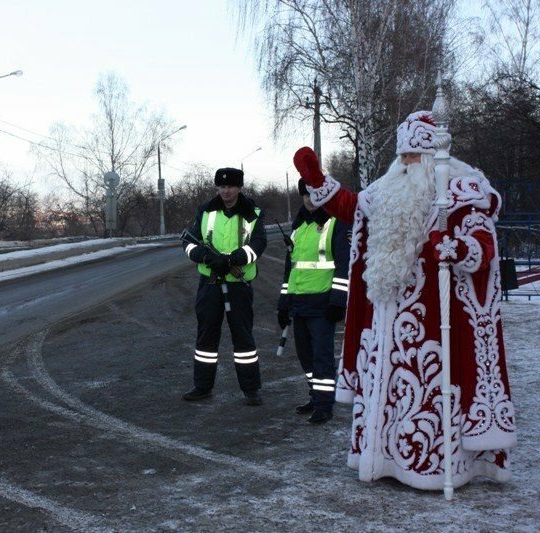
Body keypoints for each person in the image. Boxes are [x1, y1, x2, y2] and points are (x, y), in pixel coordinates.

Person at [293, 111, 517, 490]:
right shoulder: (386, 191)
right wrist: (317, 180)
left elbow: (484, 248)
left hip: (436, 323)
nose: (407, 163)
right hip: (386, 323)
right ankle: (386, 461)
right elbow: (352, 207)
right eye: (403, 157)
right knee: (389, 391)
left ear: (431, 159)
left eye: (414, 156)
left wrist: (455, 249)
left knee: (430, 392)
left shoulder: (461, 193)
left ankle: (430, 469)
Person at [181, 167, 267, 405]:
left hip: (239, 285)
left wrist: (233, 259)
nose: (225, 191)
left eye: (230, 186)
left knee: (243, 339)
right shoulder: (206, 211)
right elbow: (188, 244)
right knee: (206, 338)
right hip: (210, 284)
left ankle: (251, 389)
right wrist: (206, 257)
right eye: (221, 186)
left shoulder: (253, 213)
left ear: (239, 188)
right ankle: (202, 386)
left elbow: (258, 245)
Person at [277, 178, 350, 424]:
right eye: (305, 195)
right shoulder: (299, 226)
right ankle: (315, 393)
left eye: (313, 194)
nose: (309, 199)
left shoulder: (335, 223)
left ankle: (324, 404)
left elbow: (343, 265)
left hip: (322, 304)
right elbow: (292, 268)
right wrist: (283, 302)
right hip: (299, 302)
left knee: (321, 357)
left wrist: (338, 301)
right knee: (305, 356)